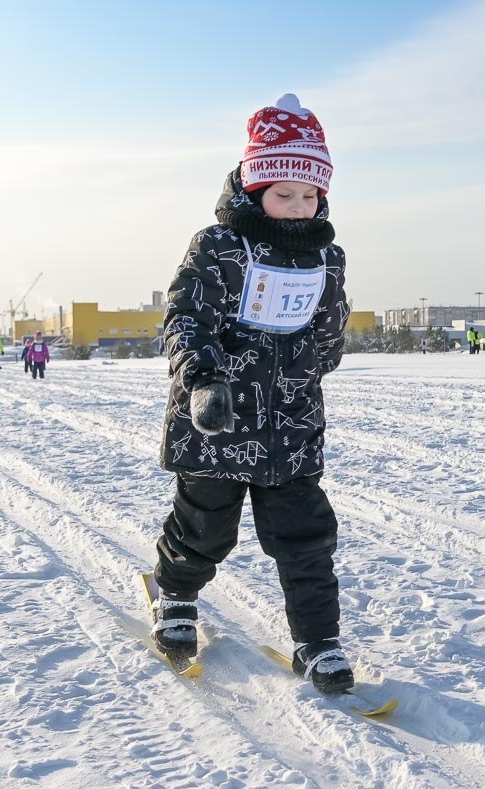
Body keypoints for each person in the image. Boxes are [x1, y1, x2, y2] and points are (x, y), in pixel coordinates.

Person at [152, 94, 352, 694]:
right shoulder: (218, 247)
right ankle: (175, 594)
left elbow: (330, 326)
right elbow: (186, 318)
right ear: (254, 187)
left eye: (309, 195)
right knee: (206, 527)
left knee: (306, 536)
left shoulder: (327, 257)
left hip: (291, 425)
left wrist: (311, 369)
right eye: (284, 194)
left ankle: (317, 641)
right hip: (217, 422)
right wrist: (202, 379)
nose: (298, 207)